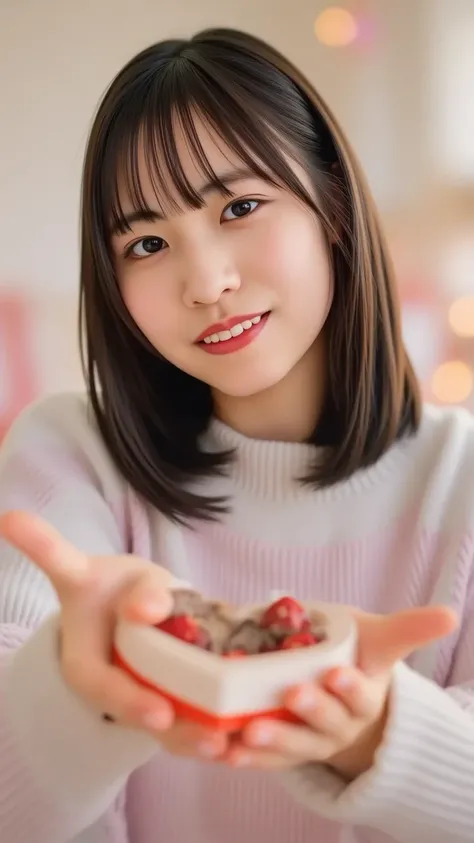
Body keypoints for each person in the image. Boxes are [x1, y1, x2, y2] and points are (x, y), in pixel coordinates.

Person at [0, 26, 473, 843]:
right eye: (147, 243)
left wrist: (377, 734)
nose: (207, 282)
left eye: (240, 207)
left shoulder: (460, 478)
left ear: (330, 202)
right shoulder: (69, 455)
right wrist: (75, 691)